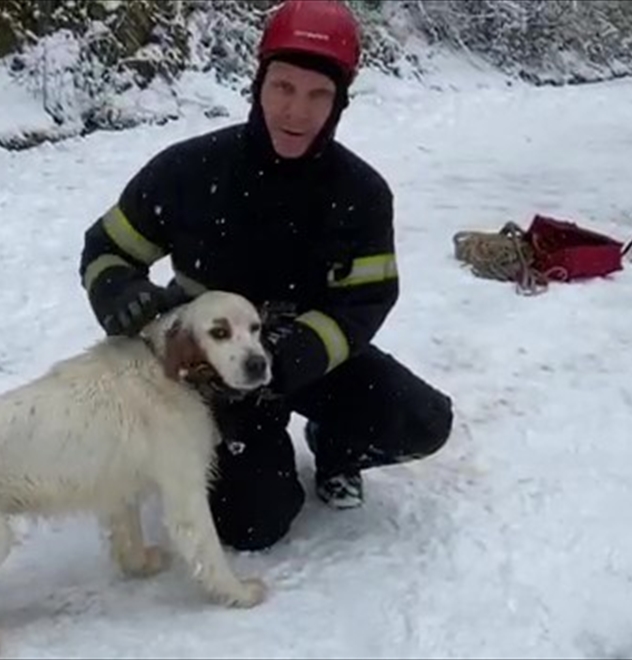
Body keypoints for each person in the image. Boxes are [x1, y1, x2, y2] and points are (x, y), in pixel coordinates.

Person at [77, 0, 454, 551]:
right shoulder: (187, 170)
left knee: (424, 423)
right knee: (253, 525)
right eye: (282, 87)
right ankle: (207, 450)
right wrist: (116, 288)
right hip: (212, 377)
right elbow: (107, 248)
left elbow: (366, 301)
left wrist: (305, 351)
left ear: (340, 102)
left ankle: (335, 444)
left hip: (308, 362)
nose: (296, 112)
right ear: (258, 84)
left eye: (317, 94)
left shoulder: (361, 195)